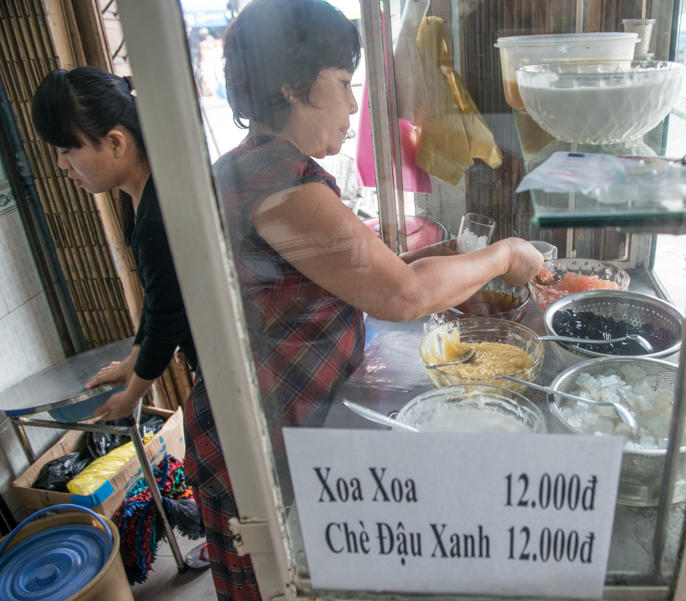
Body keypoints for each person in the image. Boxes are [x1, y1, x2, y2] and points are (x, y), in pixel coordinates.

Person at [184, 0, 545, 598]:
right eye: (343, 83)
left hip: (277, 416)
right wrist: (504, 255)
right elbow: (400, 296)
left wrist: (444, 258)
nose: (354, 105)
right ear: (294, 86)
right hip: (263, 434)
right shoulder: (281, 183)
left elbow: (348, 277)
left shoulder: (256, 167)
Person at [30, 66, 211, 569]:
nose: (62, 165)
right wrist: (134, 358)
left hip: (228, 358)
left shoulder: (155, 215)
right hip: (212, 352)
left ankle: (234, 547)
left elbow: (169, 315)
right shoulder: (146, 194)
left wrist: (134, 392)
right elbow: (160, 296)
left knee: (211, 463)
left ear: (114, 142)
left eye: (67, 149)